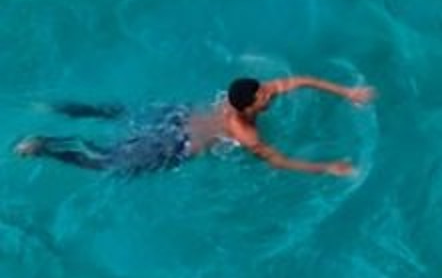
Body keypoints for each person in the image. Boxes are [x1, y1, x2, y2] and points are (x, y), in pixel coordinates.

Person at [13, 76, 373, 177]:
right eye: (263, 97)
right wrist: (327, 166)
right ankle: (43, 147)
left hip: (176, 115)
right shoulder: (245, 132)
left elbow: (300, 81)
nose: (270, 95)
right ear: (248, 105)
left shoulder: (249, 97)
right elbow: (278, 161)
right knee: (107, 162)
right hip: (175, 145)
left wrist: (347, 92)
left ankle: (53, 107)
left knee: (118, 114)